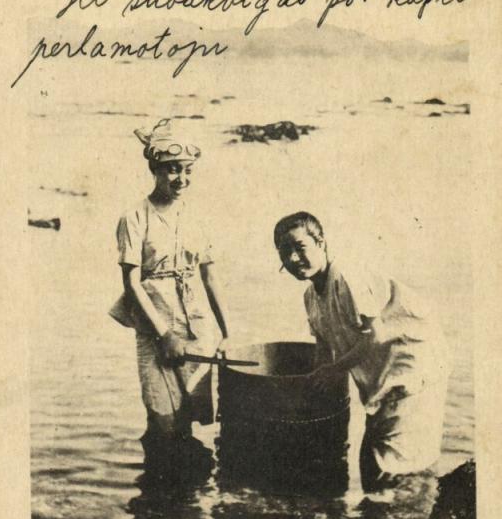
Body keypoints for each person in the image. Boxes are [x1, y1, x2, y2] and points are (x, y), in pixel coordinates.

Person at [273, 211, 449, 492]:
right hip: (380, 380)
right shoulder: (310, 297)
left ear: (321, 243)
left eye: (300, 247)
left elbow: (375, 336)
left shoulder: (346, 276)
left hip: (413, 367)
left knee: (398, 468)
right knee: (372, 463)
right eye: (285, 252)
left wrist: (333, 370)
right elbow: (323, 348)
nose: (293, 258)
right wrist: (313, 386)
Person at [110, 119, 230, 467]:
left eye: (187, 170)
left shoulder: (197, 215)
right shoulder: (134, 217)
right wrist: (164, 335)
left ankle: (182, 504)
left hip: (197, 327)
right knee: (161, 417)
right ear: (154, 169)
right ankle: (157, 498)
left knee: (188, 416)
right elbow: (131, 284)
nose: (181, 179)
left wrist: (227, 333)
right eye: (172, 170)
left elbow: (210, 276)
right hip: (155, 328)